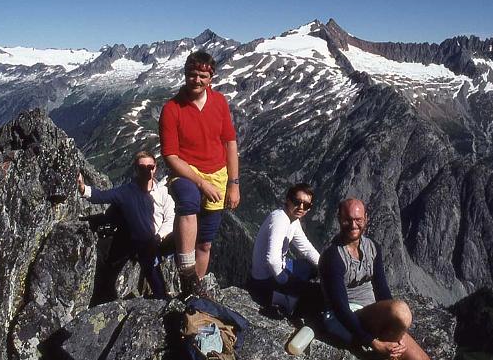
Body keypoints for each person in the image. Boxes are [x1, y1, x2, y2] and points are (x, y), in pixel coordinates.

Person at [319, 198, 462, 360]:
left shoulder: (372, 248)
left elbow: (383, 291)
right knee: (401, 311)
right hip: (346, 318)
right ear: (339, 219)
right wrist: (374, 343)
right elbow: (340, 308)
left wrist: (397, 330)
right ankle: (387, 355)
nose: (353, 225)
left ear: (366, 219)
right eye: (347, 220)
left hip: (373, 317)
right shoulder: (333, 257)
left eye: (358, 219)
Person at [158, 50, 240, 296]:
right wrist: (202, 183)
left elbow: (230, 143)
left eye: (203, 76)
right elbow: (170, 156)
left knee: (205, 242)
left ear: (211, 78)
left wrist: (234, 184)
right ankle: (186, 273)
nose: (197, 80)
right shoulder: (172, 109)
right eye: (192, 74)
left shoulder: (220, 102)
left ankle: (195, 291)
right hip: (185, 172)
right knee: (189, 201)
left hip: (218, 173)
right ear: (185, 74)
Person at [77, 151, 174, 299]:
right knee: (136, 265)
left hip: (157, 240)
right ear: (136, 169)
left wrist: (159, 237)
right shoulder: (127, 192)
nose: (147, 170)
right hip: (135, 240)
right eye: (142, 167)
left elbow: (170, 219)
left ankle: (165, 294)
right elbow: (102, 196)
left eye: (150, 166)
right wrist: (83, 188)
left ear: (155, 168)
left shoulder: (163, 193)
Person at [248, 183, 320, 316]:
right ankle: (282, 304)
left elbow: (306, 248)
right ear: (288, 200)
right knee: (309, 292)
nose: (301, 207)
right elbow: (272, 260)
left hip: (278, 267)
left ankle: (287, 297)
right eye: (297, 202)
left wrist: (325, 266)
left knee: (310, 267)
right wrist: (286, 281)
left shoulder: (293, 220)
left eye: (306, 205)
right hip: (264, 279)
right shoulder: (280, 219)